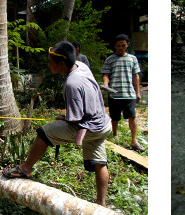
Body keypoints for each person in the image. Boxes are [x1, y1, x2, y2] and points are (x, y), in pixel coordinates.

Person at [8, 41, 112, 206]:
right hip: (103, 124)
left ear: (62, 63)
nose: (48, 64)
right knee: (99, 162)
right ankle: (102, 204)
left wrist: (64, 118)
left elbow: (75, 119)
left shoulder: (72, 84)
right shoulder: (81, 66)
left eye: (50, 61)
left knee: (44, 132)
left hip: (88, 127)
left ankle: (25, 169)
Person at [101, 34, 144, 151]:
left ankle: (134, 140)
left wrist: (138, 92)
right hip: (114, 94)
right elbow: (106, 74)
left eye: (123, 45)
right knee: (114, 117)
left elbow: (136, 76)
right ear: (115, 46)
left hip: (129, 93)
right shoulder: (110, 59)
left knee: (132, 116)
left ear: (127, 45)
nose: (121, 48)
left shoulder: (132, 59)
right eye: (118, 46)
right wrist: (105, 84)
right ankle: (115, 135)